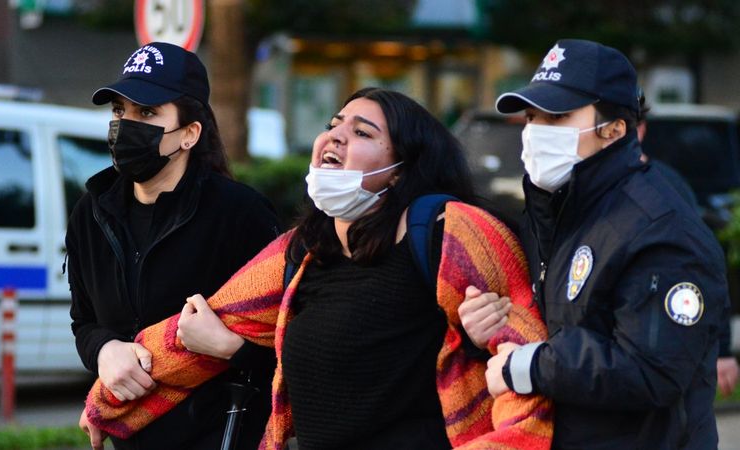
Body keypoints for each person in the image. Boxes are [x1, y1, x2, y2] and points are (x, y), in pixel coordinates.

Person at [78, 87, 554, 449]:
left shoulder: (450, 231)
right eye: (334, 124)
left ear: (401, 169)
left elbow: (523, 359)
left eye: (363, 133)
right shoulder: (302, 250)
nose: (335, 136)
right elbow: (196, 333)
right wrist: (108, 401)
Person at [467, 39, 729, 449]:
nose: (535, 132)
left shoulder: (659, 226)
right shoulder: (552, 211)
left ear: (614, 130)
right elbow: (551, 323)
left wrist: (532, 366)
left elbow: (653, 370)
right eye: (531, 117)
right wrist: (488, 326)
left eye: (557, 117)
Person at [66, 42, 280, 450]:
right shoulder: (91, 213)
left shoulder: (240, 214)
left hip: (222, 435)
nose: (126, 125)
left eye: (147, 113)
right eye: (119, 111)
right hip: (131, 436)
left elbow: (285, 337)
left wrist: (230, 348)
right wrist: (104, 350)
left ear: (189, 134)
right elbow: (85, 321)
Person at [636, 90, 740, 397]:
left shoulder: (669, 186)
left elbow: (707, 267)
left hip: (665, 348)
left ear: (640, 130)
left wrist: (722, 349)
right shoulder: (580, 190)